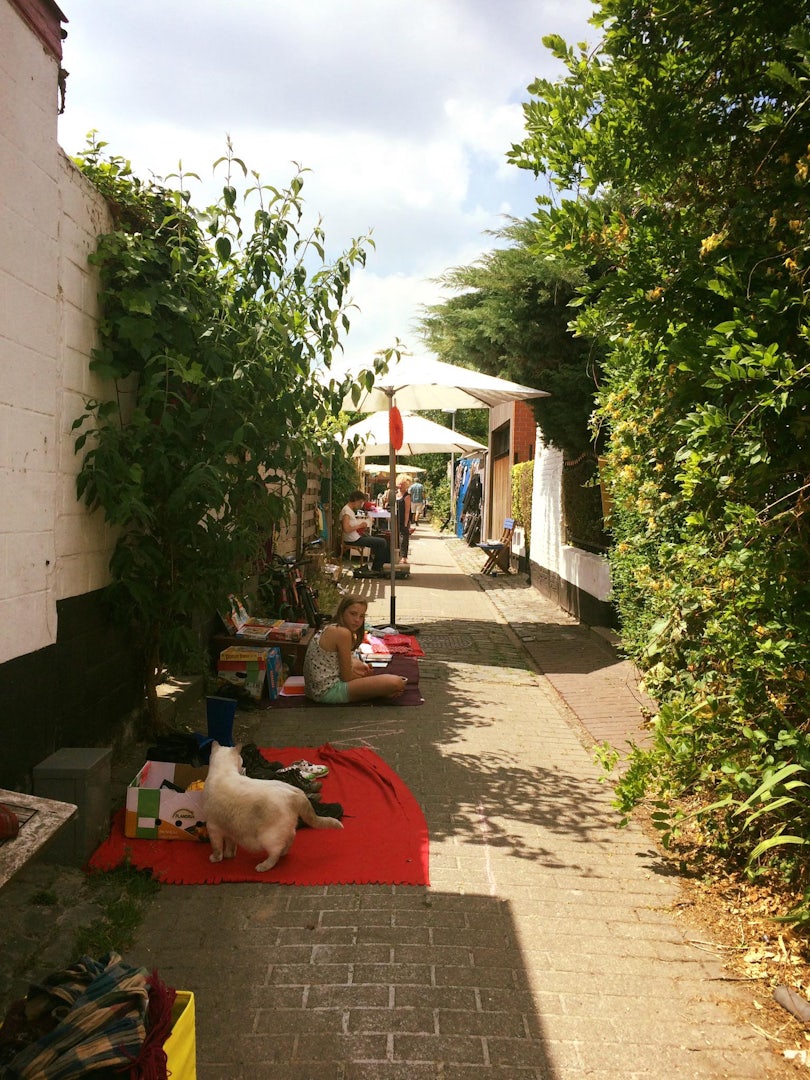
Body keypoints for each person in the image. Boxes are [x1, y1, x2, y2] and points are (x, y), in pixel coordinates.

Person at [303, 595, 408, 703]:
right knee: (396, 683)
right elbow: (346, 677)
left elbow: (348, 662)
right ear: (342, 612)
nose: (357, 620)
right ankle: (379, 692)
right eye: (353, 614)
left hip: (314, 691)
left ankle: (377, 690)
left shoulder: (333, 627)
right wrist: (363, 677)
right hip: (327, 692)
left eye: (362, 616)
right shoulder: (342, 633)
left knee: (364, 669)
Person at [340, 490, 389, 571]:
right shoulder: (346, 511)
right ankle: (376, 568)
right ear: (355, 500)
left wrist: (361, 528)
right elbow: (346, 529)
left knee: (378, 541)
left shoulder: (349, 510)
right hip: (353, 540)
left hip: (355, 537)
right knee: (382, 542)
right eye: (360, 502)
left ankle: (377, 566)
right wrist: (360, 525)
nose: (361, 505)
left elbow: (350, 527)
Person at [395, 475, 412, 562]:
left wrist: (406, 523)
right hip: (395, 518)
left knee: (403, 538)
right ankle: (396, 555)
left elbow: (407, 511)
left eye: (403, 484)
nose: (400, 486)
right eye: (400, 484)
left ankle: (404, 557)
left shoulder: (407, 496)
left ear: (406, 485)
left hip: (403, 519)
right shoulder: (395, 494)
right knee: (395, 537)